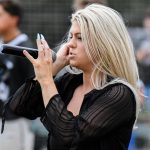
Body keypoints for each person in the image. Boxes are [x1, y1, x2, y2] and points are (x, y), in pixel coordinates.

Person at [4, 4, 141, 150]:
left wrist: (46, 80)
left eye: (80, 38)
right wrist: (54, 68)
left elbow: (68, 137)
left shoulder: (119, 94)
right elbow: (19, 107)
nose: (70, 44)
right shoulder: (69, 82)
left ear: (104, 43)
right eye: (70, 37)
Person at [0, 1, 34, 150]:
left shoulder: (25, 49)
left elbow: (34, 88)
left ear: (14, 18)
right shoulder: (2, 45)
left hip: (15, 122)